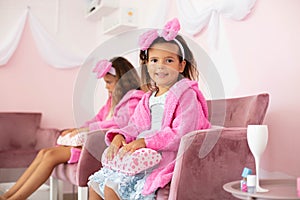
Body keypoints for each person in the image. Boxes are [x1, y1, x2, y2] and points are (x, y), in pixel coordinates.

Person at [88, 18, 211, 200]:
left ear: (181, 65)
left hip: (167, 158)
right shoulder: (148, 98)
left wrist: (146, 142)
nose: (160, 66)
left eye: (168, 60)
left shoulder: (186, 95)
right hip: (142, 157)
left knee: (112, 189)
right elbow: (135, 126)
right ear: (147, 64)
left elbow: (183, 133)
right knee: (95, 184)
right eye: (154, 60)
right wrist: (120, 136)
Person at [0, 56, 144, 200]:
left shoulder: (134, 99)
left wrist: (86, 131)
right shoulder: (112, 100)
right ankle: (8, 195)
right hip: (91, 142)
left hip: (103, 146)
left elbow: (120, 124)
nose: (106, 86)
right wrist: (78, 129)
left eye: (109, 82)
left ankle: (14, 198)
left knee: (50, 156)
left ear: (121, 81)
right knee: (44, 152)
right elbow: (97, 120)